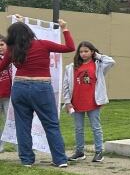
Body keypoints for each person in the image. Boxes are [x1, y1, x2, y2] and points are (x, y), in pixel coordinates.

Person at [0, 17, 75, 167]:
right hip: (41, 87)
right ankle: (60, 160)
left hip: (19, 88)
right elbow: (70, 47)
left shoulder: (12, 50)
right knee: (51, 124)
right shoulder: (43, 44)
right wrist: (65, 29)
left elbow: (1, 67)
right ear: (29, 32)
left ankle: (27, 160)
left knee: (22, 125)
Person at [62, 41, 116, 163]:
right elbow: (66, 86)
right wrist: (67, 101)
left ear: (92, 52)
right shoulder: (71, 67)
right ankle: (79, 152)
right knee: (78, 128)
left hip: (93, 102)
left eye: (86, 51)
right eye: (81, 51)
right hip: (76, 102)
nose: (83, 54)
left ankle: (99, 152)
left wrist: (98, 56)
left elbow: (111, 62)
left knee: (96, 127)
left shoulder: (99, 65)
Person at [0, 36, 12, 152]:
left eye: (2, 44)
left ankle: (18, 145)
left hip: (9, 95)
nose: (0, 48)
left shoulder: (12, 59)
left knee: (10, 121)